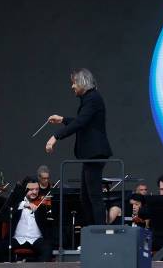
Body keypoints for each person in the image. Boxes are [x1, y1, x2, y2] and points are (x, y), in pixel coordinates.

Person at [45, 68, 112, 226]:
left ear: (82, 83)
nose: (72, 86)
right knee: (86, 196)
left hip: (95, 153)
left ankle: (98, 233)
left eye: (74, 83)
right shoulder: (90, 98)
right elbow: (82, 120)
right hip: (91, 155)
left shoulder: (93, 98)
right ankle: (92, 232)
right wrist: (62, 119)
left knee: (94, 196)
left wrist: (56, 136)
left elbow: (81, 123)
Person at [0, 177, 53, 262]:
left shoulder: (42, 203)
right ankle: (15, 262)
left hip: (36, 239)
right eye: (31, 189)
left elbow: (48, 219)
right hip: (17, 238)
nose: (35, 192)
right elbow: (2, 216)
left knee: (47, 249)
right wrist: (23, 204)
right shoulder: (16, 202)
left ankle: (29, 262)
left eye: (36, 189)